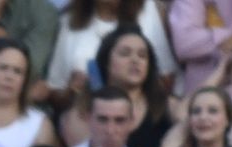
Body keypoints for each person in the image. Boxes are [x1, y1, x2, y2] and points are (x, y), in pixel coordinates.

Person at [59, 25, 171, 147]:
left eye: (142, 55)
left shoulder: (167, 105)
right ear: (106, 61)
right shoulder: (80, 113)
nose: (135, 60)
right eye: (125, 53)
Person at [45, 0, 176, 113]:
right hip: (85, 116)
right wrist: (71, 90)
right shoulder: (70, 20)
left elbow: (166, 77)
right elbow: (55, 90)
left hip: (142, 114)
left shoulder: (147, 10)